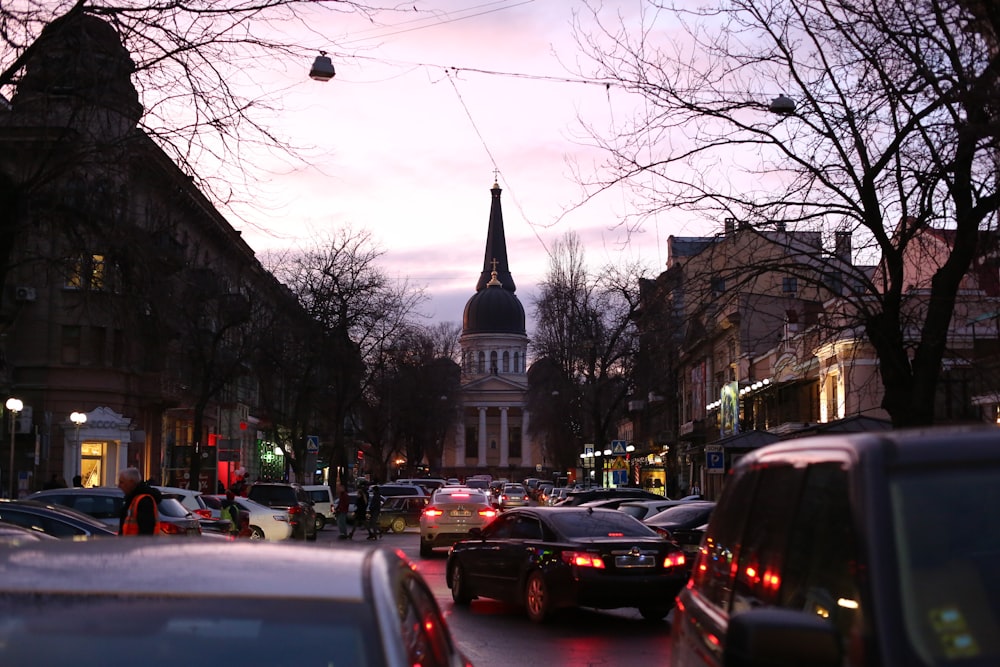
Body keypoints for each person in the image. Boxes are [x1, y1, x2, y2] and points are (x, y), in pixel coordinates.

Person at [117, 467, 162, 536]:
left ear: (131, 482)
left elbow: (146, 532)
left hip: (136, 545)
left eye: (122, 482)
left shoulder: (143, 501)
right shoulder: (132, 499)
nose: (119, 486)